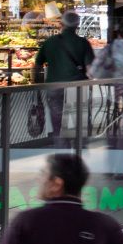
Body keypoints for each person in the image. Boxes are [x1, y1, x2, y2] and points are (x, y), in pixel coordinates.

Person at [33, 11, 96, 145]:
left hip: (54, 87)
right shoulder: (83, 43)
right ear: (77, 26)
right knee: (79, 118)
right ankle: (80, 147)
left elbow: (37, 66)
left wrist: (35, 84)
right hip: (77, 87)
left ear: (61, 24)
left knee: (58, 121)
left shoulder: (50, 42)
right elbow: (91, 69)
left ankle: (62, 150)